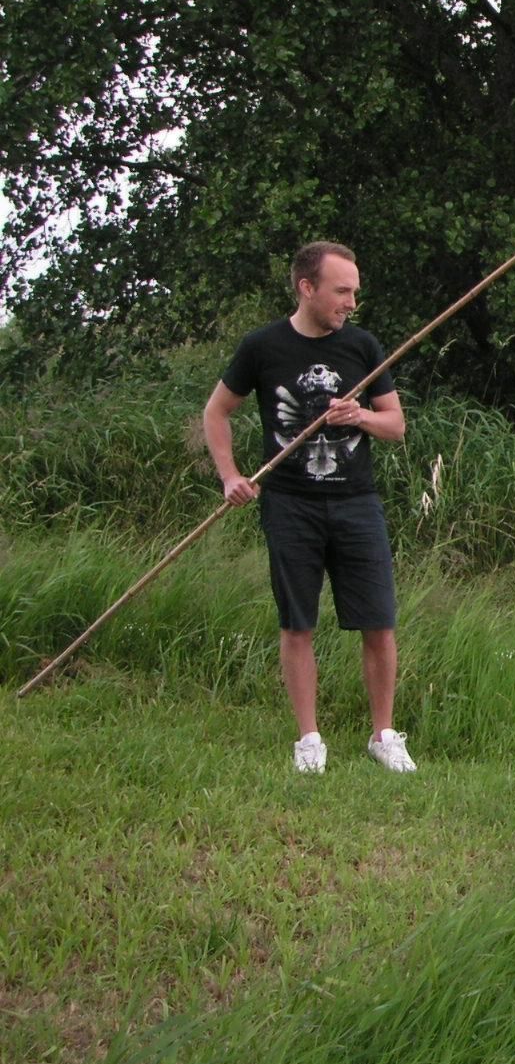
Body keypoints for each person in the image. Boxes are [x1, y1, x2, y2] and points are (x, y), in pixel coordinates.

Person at [202, 241, 415, 773]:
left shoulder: (363, 347)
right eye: (342, 291)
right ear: (306, 287)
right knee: (297, 623)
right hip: (289, 503)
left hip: (356, 503)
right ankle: (309, 740)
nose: (351, 303)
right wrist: (231, 476)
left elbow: (396, 426)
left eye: (355, 292)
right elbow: (217, 412)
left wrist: (359, 416)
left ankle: (384, 735)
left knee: (379, 622)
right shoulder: (263, 347)